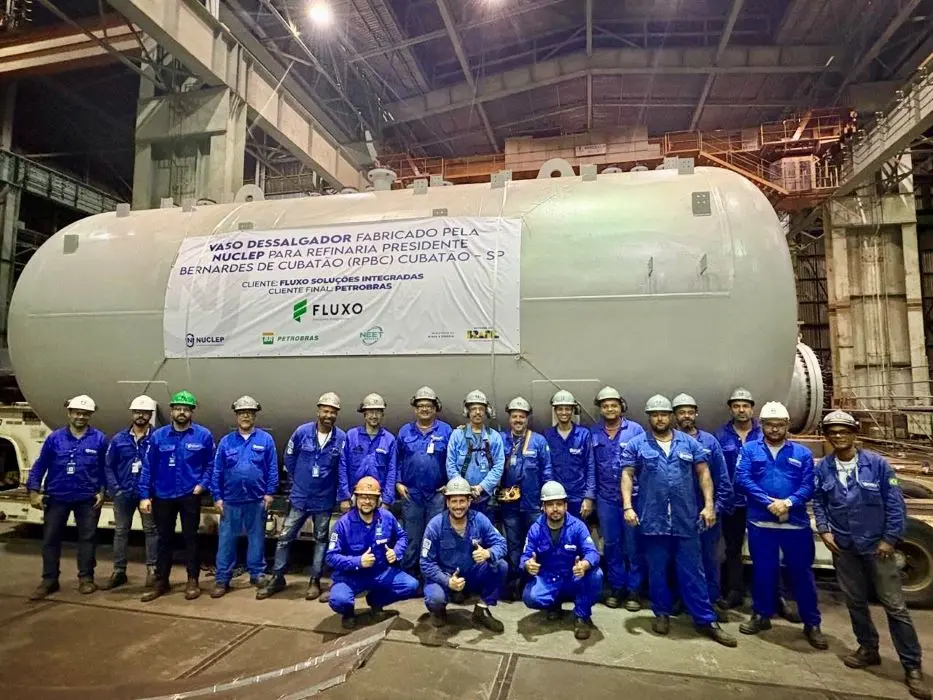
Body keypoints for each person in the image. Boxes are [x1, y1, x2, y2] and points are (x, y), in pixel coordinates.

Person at [812, 411, 930, 700]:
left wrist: (890, 540)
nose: (838, 437)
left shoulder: (877, 465)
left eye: (843, 431)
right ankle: (868, 649)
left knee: (895, 607)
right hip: (844, 546)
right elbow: (819, 501)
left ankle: (912, 666)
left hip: (877, 547)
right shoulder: (824, 469)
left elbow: (895, 505)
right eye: (833, 432)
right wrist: (825, 531)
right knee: (855, 601)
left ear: (854, 433)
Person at [621, 395, 736, 647]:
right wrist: (628, 506)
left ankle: (705, 620)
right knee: (658, 571)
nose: (659, 418)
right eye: (655, 414)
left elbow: (704, 473)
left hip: (686, 520)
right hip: (652, 519)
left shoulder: (689, 443)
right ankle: (661, 613)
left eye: (663, 413)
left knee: (693, 572)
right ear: (648, 417)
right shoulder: (637, 444)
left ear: (670, 416)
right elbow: (627, 475)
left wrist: (708, 505)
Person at [735, 401, 827, 649]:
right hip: (761, 522)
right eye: (769, 425)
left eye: (779, 425)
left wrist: (787, 503)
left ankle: (812, 623)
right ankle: (761, 615)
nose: (774, 429)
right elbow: (742, 479)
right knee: (763, 572)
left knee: (802, 575)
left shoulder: (802, 454)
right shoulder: (750, 450)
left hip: (795, 525)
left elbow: (808, 486)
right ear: (762, 425)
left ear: (787, 425)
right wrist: (768, 502)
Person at [258, 392, 347, 602]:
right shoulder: (302, 432)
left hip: (324, 499)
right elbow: (289, 457)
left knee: (321, 540)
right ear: (318, 411)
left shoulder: (341, 438)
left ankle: (314, 580)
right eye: (326, 410)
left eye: (333, 412)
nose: (329, 415)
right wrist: (299, 478)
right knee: (284, 538)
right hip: (300, 496)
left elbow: (343, 467)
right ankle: (277, 577)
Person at [27, 395, 108, 600]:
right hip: (57, 497)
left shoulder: (99, 439)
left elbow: (104, 469)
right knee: (51, 539)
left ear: (90, 415)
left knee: (88, 539)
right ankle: (49, 580)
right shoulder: (55, 439)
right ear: (69, 413)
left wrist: (103, 490)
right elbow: (40, 465)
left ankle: (86, 578)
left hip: (87, 498)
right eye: (77, 412)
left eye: (85, 413)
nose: (81, 416)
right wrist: (34, 490)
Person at [138, 390, 215, 602]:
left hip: (189, 494)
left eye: (186, 409)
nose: (182, 412)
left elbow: (211, 464)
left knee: (191, 538)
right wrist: (144, 495)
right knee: (164, 539)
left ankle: (192, 581)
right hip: (163, 495)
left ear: (192, 412)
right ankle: (161, 581)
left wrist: (203, 485)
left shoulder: (203, 435)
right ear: (171, 411)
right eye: (178, 409)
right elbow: (148, 467)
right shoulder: (158, 436)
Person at [325, 476, 419, 629]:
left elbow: (402, 536)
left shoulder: (387, 517)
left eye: (371, 498)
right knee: (339, 600)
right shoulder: (343, 524)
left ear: (378, 500)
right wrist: (358, 561)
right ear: (356, 499)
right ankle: (348, 612)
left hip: (380, 572)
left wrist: (396, 552)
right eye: (363, 497)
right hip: (351, 576)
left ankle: (376, 602)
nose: (367, 502)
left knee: (411, 585)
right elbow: (331, 557)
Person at [672, 393, 733, 619]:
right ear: (675, 415)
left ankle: (710, 600)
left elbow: (723, 480)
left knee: (709, 559)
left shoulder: (709, 442)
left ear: (696, 413)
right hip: (681, 514)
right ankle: (683, 598)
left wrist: (715, 509)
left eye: (690, 411)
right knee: (682, 560)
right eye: (681, 412)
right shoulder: (670, 442)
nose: (686, 416)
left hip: (707, 513)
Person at [210, 396, 278, 598]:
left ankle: (257, 574)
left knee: (257, 539)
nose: (246, 416)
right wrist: (217, 497)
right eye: (242, 413)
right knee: (226, 541)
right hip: (230, 501)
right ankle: (222, 579)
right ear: (236, 416)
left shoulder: (265, 440)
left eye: (249, 412)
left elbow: (272, 468)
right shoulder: (226, 442)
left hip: (256, 500)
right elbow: (217, 471)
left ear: (255, 415)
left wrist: (269, 493)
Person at [420, 476, 508, 632]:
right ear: (447, 502)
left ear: (469, 501)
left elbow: (501, 544)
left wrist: (488, 552)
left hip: (470, 574)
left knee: (500, 566)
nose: (458, 506)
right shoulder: (435, 526)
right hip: (444, 576)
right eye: (454, 501)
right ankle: (439, 611)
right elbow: (426, 563)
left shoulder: (479, 520)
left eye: (462, 501)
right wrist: (447, 581)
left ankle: (481, 610)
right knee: (435, 598)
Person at [521, 481, 602, 640]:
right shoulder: (535, 529)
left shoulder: (577, 526)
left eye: (559, 504)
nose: (555, 509)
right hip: (549, 578)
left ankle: (581, 616)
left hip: (573, 577)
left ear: (566, 506)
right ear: (543, 507)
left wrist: (585, 565)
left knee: (596, 575)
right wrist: (527, 564)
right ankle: (554, 604)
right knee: (530, 597)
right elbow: (525, 555)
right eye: (550, 505)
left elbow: (592, 552)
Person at [590, 385, 645, 610]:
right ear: (600, 409)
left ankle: (634, 590)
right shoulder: (594, 433)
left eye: (614, 405)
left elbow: (645, 463)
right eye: (605, 406)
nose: (610, 409)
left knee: (633, 545)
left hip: (632, 498)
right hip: (606, 498)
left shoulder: (636, 430)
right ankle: (617, 587)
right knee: (611, 544)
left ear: (621, 406)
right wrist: (590, 497)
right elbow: (591, 466)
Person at [100, 395, 158, 591]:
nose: (140, 415)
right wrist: (115, 489)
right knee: (120, 532)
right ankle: (118, 571)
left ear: (151, 415)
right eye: (137, 412)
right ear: (132, 414)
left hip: (147, 495)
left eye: (144, 412)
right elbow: (108, 466)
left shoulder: (157, 438)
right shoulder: (119, 439)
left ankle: (153, 570)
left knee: (150, 531)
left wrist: (152, 492)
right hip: (123, 492)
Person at [498, 396, 553, 599]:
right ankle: (514, 583)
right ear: (509, 418)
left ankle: (536, 582)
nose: (518, 420)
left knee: (537, 544)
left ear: (527, 418)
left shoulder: (538, 441)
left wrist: (546, 500)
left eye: (521, 416)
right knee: (513, 544)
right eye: (514, 416)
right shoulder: (501, 440)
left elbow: (547, 471)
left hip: (533, 505)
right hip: (509, 504)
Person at [396, 386, 452, 576]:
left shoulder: (445, 431)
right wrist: (397, 482)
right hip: (411, 494)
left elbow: (452, 460)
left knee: (434, 536)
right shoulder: (405, 431)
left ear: (435, 408)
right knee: (412, 537)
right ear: (415, 409)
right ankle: (409, 574)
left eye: (429, 405)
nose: (425, 409)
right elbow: (396, 459)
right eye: (421, 406)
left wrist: (450, 483)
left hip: (436, 494)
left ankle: (431, 575)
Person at [714, 387, 762, 608]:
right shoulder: (721, 436)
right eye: (736, 406)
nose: (741, 410)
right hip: (732, 503)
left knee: (763, 548)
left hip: (760, 502)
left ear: (752, 409)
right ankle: (735, 591)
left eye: (745, 406)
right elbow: (717, 471)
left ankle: (772, 594)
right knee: (733, 548)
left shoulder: (763, 434)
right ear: (731, 409)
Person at [445, 390, 504, 515]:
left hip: (486, 498)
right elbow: (450, 464)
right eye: (473, 408)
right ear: (467, 411)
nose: (477, 412)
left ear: (486, 411)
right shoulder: (457, 435)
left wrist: (481, 487)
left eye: (481, 409)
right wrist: (463, 488)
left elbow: (499, 466)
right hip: (461, 500)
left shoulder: (494, 437)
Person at [544, 390, 595, 521]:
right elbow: (546, 468)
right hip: (556, 497)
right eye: (560, 409)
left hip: (578, 497)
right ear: (555, 410)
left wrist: (588, 497)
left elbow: (590, 466)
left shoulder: (584, 434)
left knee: (578, 536)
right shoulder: (548, 435)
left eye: (567, 409)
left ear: (573, 410)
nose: (564, 412)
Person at [343, 393, 397, 507]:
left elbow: (392, 471)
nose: (374, 415)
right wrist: (344, 497)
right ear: (364, 413)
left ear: (382, 414)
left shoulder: (389, 439)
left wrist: (387, 500)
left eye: (378, 412)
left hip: (378, 497)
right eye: (370, 412)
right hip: (354, 497)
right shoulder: (351, 436)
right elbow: (342, 467)